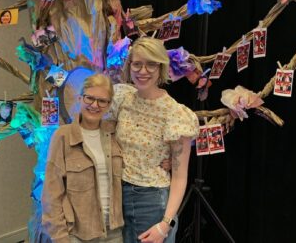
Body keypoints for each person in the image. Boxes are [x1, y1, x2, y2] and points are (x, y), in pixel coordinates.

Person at [109, 37, 199, 243]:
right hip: (117, 195)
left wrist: (165, 224)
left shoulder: (175, 114)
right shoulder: (122, 98)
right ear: (129, 66)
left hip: (151, 200)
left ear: (161, 67)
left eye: (151, 64)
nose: (143, 71)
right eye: (137, 64)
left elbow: (179, 177)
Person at [42, 74, 124, 242]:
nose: (95, 105)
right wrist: (60, 238)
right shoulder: (62, 137)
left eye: (102, 101)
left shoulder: (115, 134)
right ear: (80, 98)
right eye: (89, 98)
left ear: (109, 105)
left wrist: (164, 162)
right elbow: (51, 195)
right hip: (78, 235)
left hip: (114, 233)